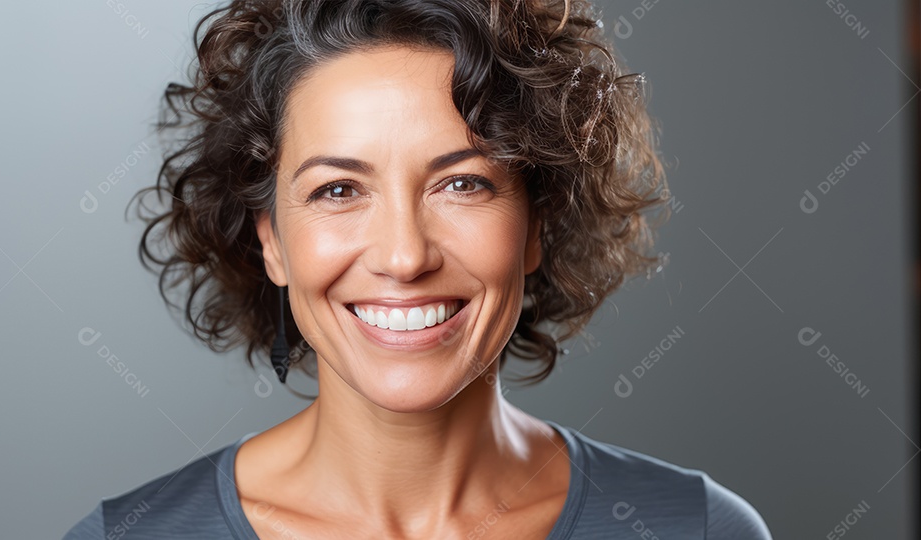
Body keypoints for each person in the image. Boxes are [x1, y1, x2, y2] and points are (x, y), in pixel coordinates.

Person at [66, 0, 773, 538]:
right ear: (272, 243)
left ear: (536, 225)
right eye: (338, 191)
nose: (405, 257)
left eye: (463, 184)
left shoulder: (699, 528)